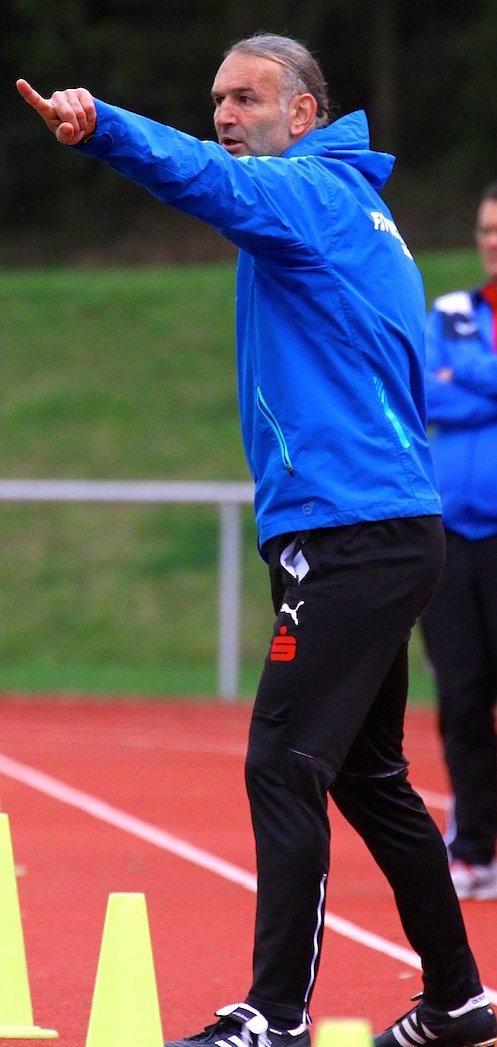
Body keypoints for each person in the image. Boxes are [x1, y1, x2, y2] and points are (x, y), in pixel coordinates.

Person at [16, 33, 496, 1047]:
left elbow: (204, 179)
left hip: (351, 532)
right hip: (374, 525)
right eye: (216, 100)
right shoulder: (356, 210)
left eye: (245, 98)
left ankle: (274, 1015)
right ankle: (457, 1000)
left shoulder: (309, 193)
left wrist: (104, 129)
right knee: (367, 774)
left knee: (282, 761)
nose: (225, 117)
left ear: (303, 114)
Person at [420, 183, 497, 903]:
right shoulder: (450, 311)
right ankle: (474, 845)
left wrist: (464, 373)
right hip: (450, 535)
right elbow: (425, 392)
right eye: (484, 229)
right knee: (462, 696)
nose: (491, 241)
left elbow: (453, 385)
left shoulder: (461, 336)